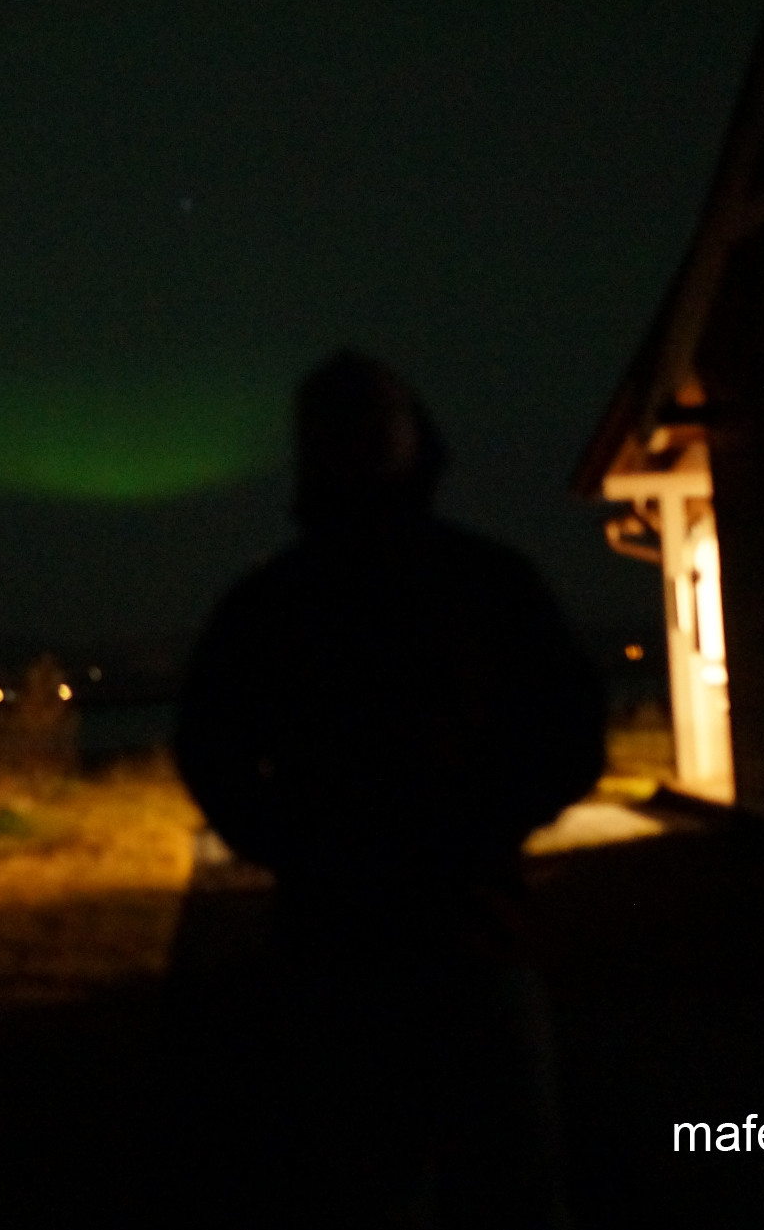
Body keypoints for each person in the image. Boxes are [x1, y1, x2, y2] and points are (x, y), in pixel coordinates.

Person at [172, 351, 603, 1226]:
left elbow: (570, 728)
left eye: (378, 415)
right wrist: (301, 844)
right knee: (378, 1185)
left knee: (499, 1180)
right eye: (344, 422)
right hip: (348, 949)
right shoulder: (278, 604)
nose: (365, 436)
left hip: (459, 930)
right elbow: (210, 747)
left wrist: (487, 822)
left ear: (416, 433)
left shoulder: (481, 584)